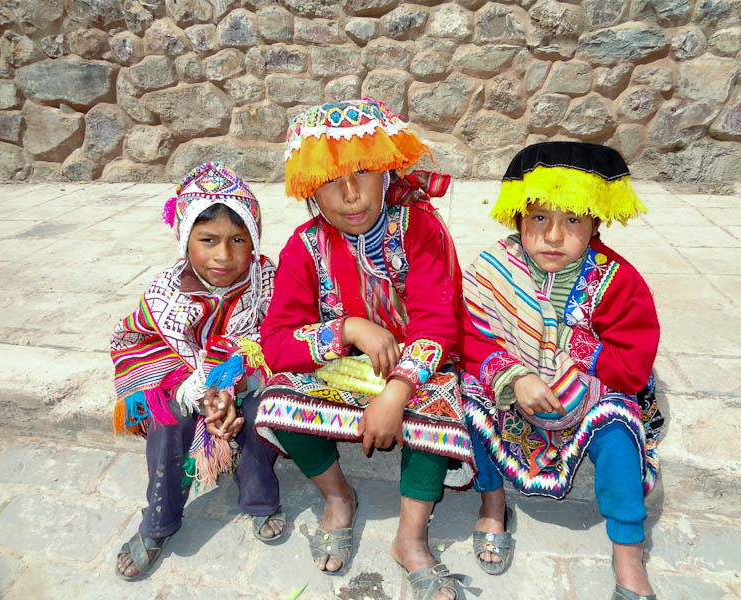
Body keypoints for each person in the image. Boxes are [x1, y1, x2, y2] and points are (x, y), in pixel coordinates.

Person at [254, 98, 474, 600]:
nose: (351, 196)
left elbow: (438, 327)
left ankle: (411, 537)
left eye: (364, 175)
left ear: (387, 173)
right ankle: (338, 497)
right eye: (332, 181)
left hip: (414, 364)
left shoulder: (420, 228)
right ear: (311, 187)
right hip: (344, 370)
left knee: (441, 401)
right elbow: (277, 341)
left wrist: (396, 393)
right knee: (276, 397)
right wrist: (347, 328)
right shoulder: (303, 248)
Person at [457, 142, 664, 599]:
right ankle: (493, 504)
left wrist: (580, 349)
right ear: (518, 219)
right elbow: (469, 335)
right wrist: (515, 375)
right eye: (539, 218)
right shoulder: (495, 269)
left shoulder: (618, 282)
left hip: (591, 396)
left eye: (571, 220)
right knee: (468, 399)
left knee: (619, 427)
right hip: (517, 396)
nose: (553, 236)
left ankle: (627, 549)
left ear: (596, 222)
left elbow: (631, 365)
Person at [111, 161, 285, 580]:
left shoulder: (269, 282)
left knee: (263, 411)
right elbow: (133, 341)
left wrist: (237, 383)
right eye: (208, 240)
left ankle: (260, 497)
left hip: (249, 382)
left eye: (238, 240)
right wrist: (185, 384)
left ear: (254, 240)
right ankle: (159, 520)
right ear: (185, 240)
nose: (223, 255)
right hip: (185, 383)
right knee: (166, 417)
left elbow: (281, 339)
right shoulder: (165, 291)